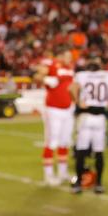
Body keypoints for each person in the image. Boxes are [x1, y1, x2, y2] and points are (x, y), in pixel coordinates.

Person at [70, 58, 108, 194]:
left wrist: (77, 102)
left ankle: (78, 183)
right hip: (100, 117)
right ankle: (99, 184)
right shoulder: (107, 75)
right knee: (99, 152)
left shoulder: (82, 75)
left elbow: (72, 88)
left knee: (81, 151)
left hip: (86, 116)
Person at [33, 47, 75, 186]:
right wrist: (47, 79)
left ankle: (62, 172)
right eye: (68, 55)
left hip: (68, 108)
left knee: (65, 141)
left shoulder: (70, 67)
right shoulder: (52, 64)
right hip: (53, 109)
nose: (70, 58)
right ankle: (48, 175)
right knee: (52, 141)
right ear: (61, 55)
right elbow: (37, 76)